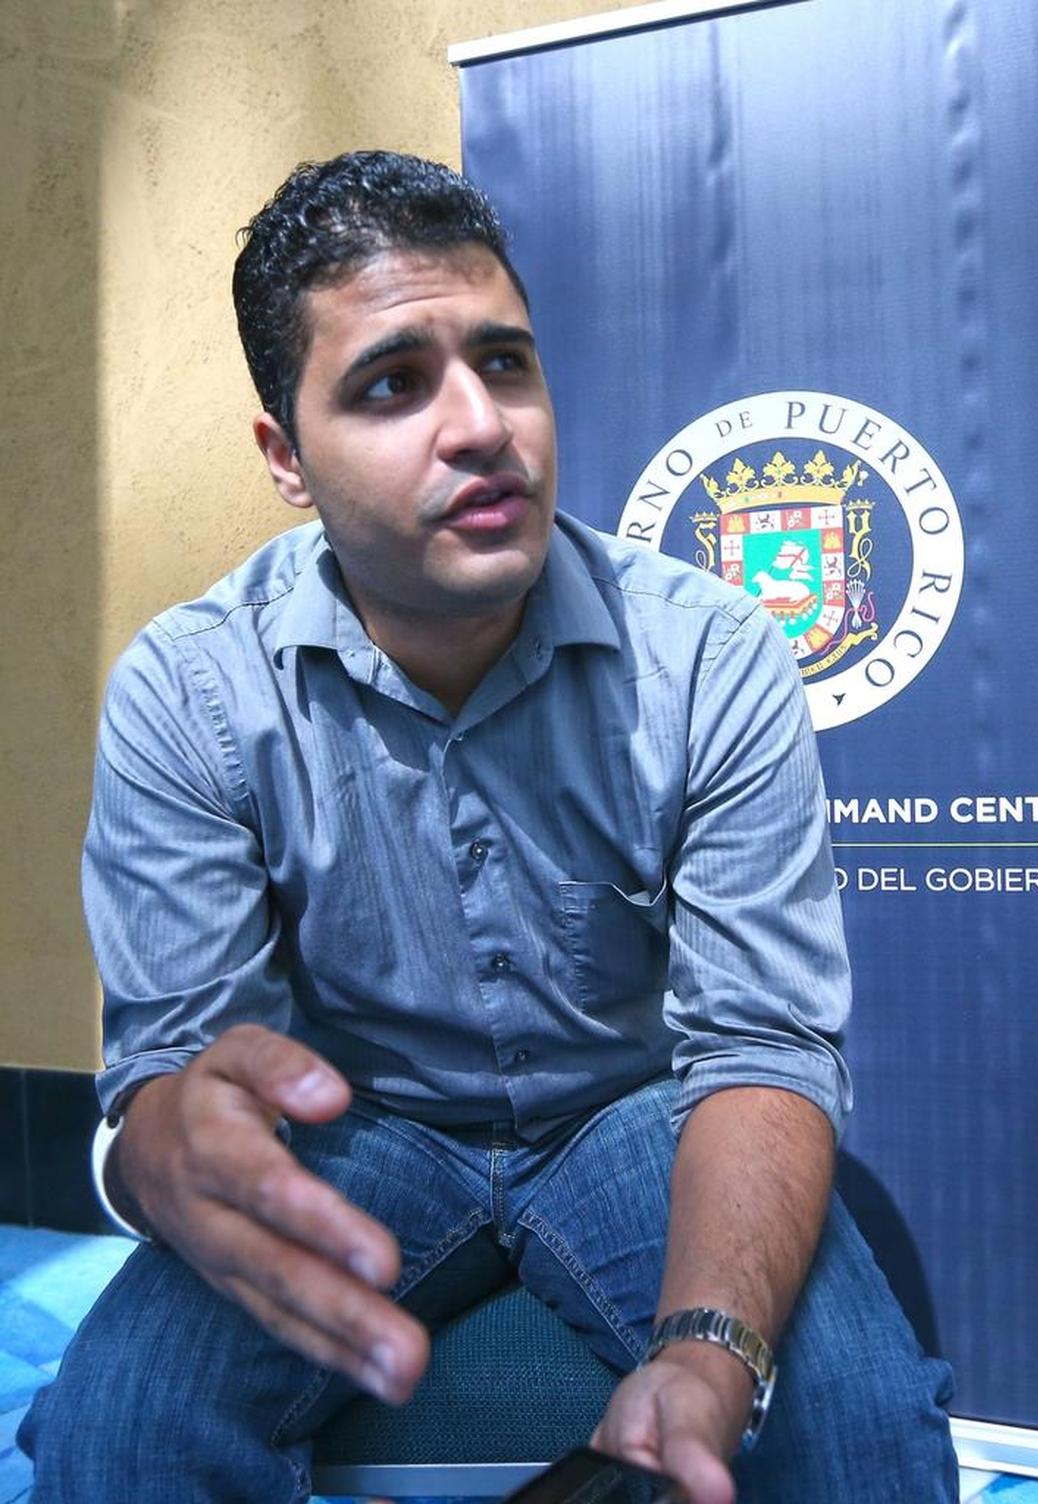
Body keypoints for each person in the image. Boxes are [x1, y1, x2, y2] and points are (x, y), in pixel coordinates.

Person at [20, 150, 956, 1502]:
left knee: (862, 1431)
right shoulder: (193, 690)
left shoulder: (711, 655)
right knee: (118, 1436)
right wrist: (163, 1145)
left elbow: (761, 1043)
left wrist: (711, 1351)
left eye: (505, 364)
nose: (480, 426)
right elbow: (179, 1065)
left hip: (636, 1116)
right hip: (358, 1130)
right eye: (392, 384)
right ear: (286, 458)